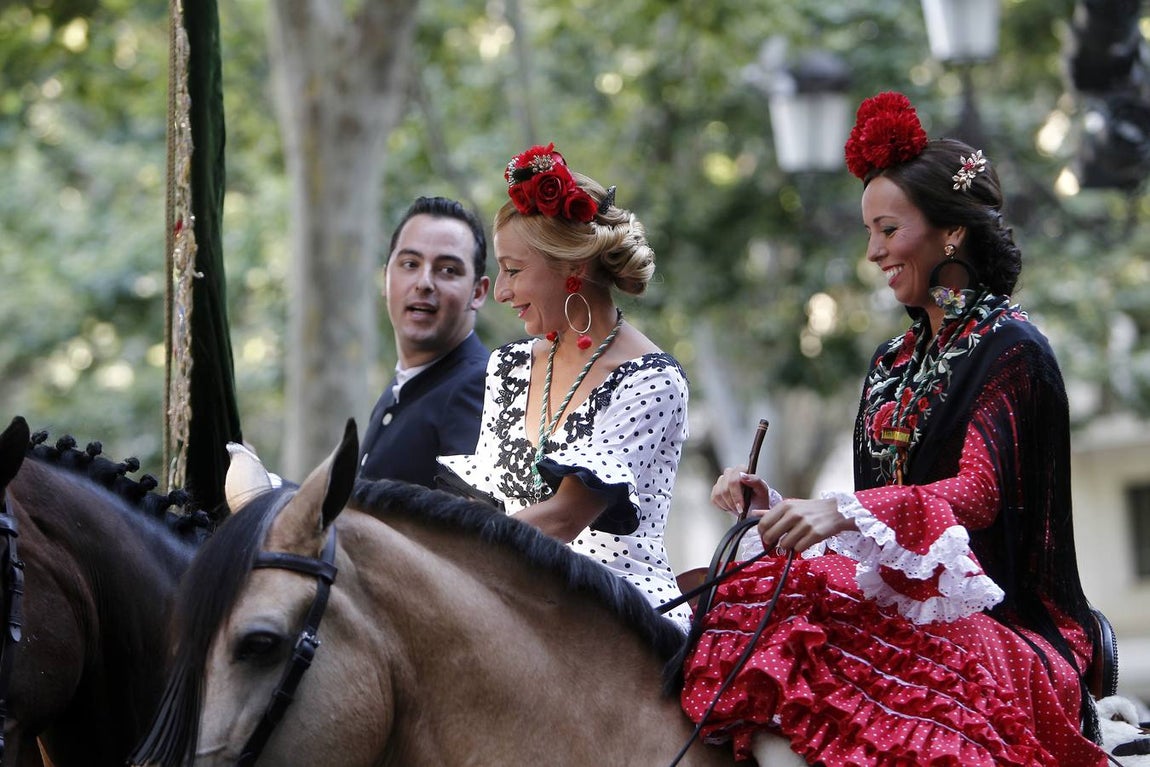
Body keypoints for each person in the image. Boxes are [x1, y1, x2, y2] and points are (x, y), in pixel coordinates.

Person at [678, 92, 1109, 766]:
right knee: (753, 593)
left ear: (952, 233)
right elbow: (878, 539)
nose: (873, 251)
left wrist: (839, 510)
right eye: (868, 232)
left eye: (887, 229)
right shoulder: (893, 362)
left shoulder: (1013, 350)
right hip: (901, 609)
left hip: (1010, 631)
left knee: (787, 602)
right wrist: (783, 512)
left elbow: (976, 496)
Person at [438, 143, 694, 630]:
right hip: (516, 604)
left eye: (514, 270)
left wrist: (456, 564)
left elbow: (564, 517)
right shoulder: (509, 366)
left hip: (622, 618)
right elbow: (483, 505)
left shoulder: (653, 380)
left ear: (573, 267)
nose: (501, 291)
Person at [358, 196, 491, 488]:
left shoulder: (477, 387)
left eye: (448, 270)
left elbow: (468, 514)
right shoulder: (402, 386)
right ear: (386, 278)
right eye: (410, 264)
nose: (424, 283)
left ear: (478, 292)